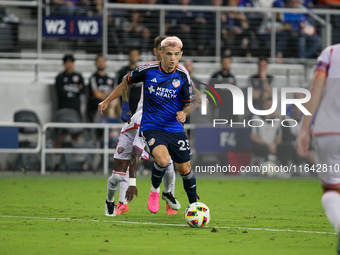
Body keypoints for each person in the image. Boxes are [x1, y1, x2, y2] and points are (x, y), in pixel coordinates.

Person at [99, 35, 179, 216]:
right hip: (141, 120)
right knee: (124, 168)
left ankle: (168, 197)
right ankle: (122, 202)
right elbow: (125, 84)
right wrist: (113, 102)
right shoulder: (147, 69)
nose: (167, 54)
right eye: (163, 49)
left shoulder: (178, 72)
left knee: (167, 162)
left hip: (164, 122)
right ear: (157, 51)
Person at [119, 36, 198, 213]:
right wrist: (125, 106)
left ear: (180, 55)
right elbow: (126, 80)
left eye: (176, 54)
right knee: (163, 159)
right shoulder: (148, 70)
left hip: (174, 126)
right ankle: (155, 190)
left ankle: (193, 206)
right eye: (168, 54)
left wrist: (184, 113)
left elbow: (191, 102)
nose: (172, 58)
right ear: (160, 53)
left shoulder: (183, 74)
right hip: (152, 125)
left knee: (185, 169)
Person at [297, 43, 340, 254]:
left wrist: (305, 128)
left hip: (329, 130)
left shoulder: (330, 53)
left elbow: (316, 89)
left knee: (331, 191)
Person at [87, 55, 114, 122]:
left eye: (103, 61)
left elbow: (114, 94)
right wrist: (108, 94)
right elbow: (97, 95)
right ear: (95, 63)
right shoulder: (93, 78)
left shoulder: (110, 78)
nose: (101, 63)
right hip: (95, 108)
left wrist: (104, 94)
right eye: (99, 61)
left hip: (108, 108)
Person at [116, 48, 142, 115]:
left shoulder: (142, 71)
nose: (134, 57)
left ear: (139, 56)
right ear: (129, 56)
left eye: (136, 55)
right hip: (126, 103)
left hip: (140, 104)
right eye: (132, 55)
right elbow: (117, 88)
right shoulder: (122, 72)